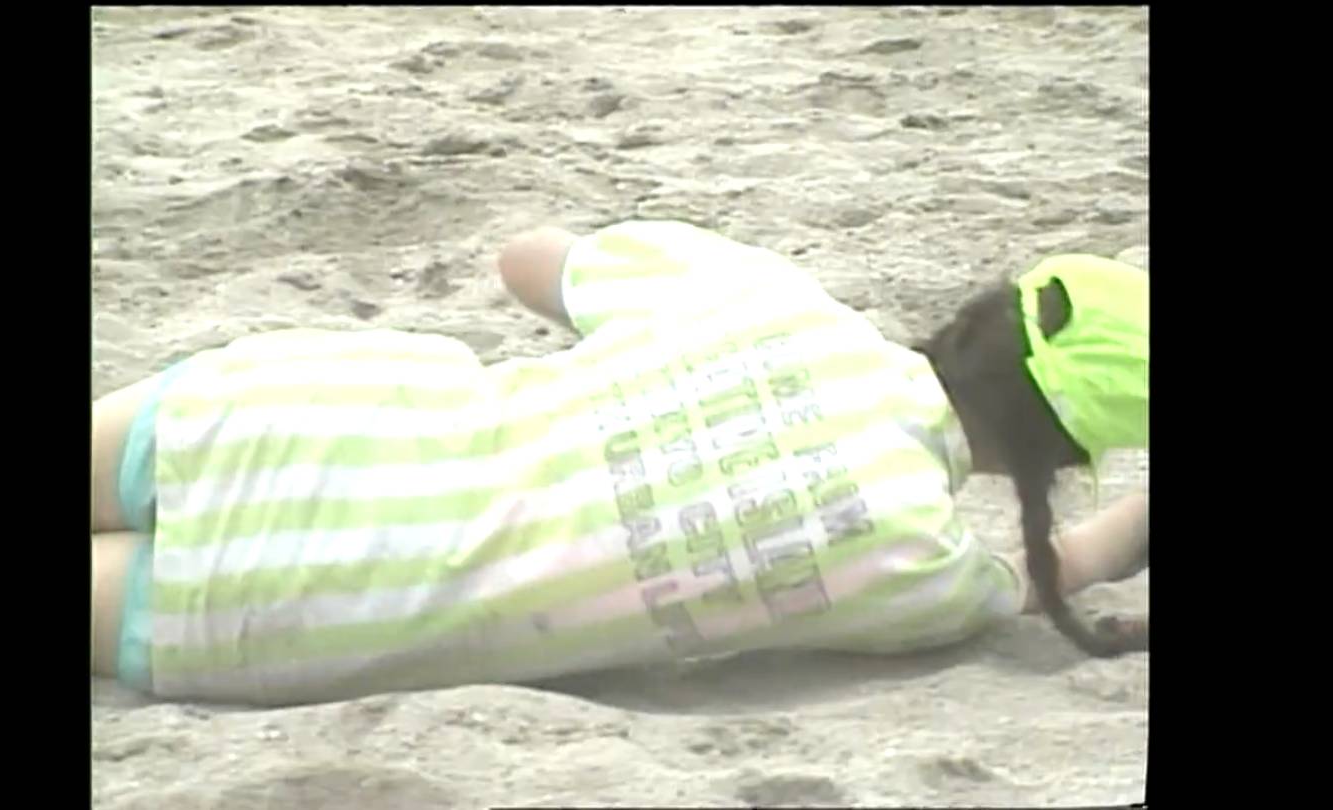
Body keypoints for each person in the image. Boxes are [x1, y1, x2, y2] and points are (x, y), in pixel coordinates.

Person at [91, 220, 1149, 707]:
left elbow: (527, 260)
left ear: (982, 311)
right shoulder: (922, 563)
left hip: (296, 422)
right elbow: (1047, 576)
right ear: (1059, 457)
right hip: (298, 609)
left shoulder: (778, 303)